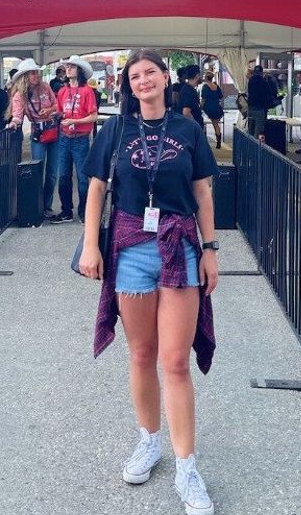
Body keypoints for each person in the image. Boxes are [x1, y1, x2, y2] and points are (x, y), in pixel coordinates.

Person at [77, 49, 219, 515]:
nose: (143, 81)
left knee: (175, 362)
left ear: (165, 79)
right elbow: (97, 187)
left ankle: (186, 468)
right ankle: (148, 441)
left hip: (180, 247)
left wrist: (212, 250)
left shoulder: (188, 130)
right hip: (130, 249)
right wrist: (91, 246)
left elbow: (202, 191)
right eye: (135, 76)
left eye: (150, 73)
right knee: (141, 353)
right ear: (128, 84)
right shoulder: (115, 129)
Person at [6, 59, 61, 217]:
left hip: (52, 130)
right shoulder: (19, 96)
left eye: (37, 72)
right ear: (25, 76)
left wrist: (49, 110)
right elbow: (17, 115)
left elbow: (57, 105)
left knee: (52, 172)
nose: (36, 75)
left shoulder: (45, 86)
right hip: (38, 132)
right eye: (32, 73)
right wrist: (14, 123)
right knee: (38, 169)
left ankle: (47, 206)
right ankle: (37, 206)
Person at [49, 56, 99, 224]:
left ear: (80, 71)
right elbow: (61, 111)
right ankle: (66, 211)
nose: (68, 69)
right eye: (67, 66)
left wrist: (74, 121)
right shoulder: (63, 91)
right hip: (65, 137)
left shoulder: (87, 91)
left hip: (80, 139)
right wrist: (55, 114)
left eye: (72, 67)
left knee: (82, 177)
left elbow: (93, 116)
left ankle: (85, 212)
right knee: (63, 176)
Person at [244, 61, 275, 139]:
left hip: (250, 107)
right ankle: (256, 148)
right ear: (261, 72)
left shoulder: (250, 81)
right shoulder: (264, 81)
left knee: (250, 128)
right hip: (260, 108)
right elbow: (269, 93)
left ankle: (249, 146)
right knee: (258, 130)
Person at [200, 72, 224, 149]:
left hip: (208, 108)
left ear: (206, 77)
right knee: (216, 124)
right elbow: (220, 96)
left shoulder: (205, 87)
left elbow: (203, 99)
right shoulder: (216, 86)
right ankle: (218, 142)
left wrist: (200, 107)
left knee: (202, 122)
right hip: (217, 107)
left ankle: (203, 141)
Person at [177, 65, 205, 130]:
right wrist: (196, 126)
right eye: (200, 74)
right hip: (191, 130)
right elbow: (186, 113)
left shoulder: (187, 88)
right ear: (197, 76)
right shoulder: (190, 91)